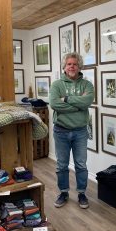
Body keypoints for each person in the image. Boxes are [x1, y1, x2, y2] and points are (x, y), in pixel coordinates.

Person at [49, 52, 94, 209]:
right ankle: (63, 192)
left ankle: (82, 193)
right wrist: (78, 104)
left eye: (75, 64)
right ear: (64, 66)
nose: (72, 67)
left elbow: (87, 101)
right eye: (69, 64)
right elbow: (54, 104)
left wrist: (67, 99)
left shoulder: (87, 85)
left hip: (80, 131)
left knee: (81, 164)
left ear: (79, 66)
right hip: (61, 131)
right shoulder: (56, 85)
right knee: (61, 165)